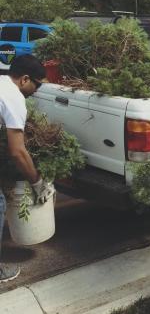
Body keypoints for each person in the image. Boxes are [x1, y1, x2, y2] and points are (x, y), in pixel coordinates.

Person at [0, 55, 55, 283]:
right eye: (37, 84)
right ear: (24, 79)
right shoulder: (13, 98)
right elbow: (18, 151)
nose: (37, 90)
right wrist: (37, 182)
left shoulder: (1, 84)